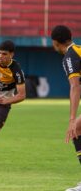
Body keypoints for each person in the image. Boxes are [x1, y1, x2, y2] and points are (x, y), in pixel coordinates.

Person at [51, 25, 81, 191]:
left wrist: (71, 119)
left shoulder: (70, 56)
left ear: (55, 42)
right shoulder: (78, 49)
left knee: (75, 128)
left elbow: (75, 86)